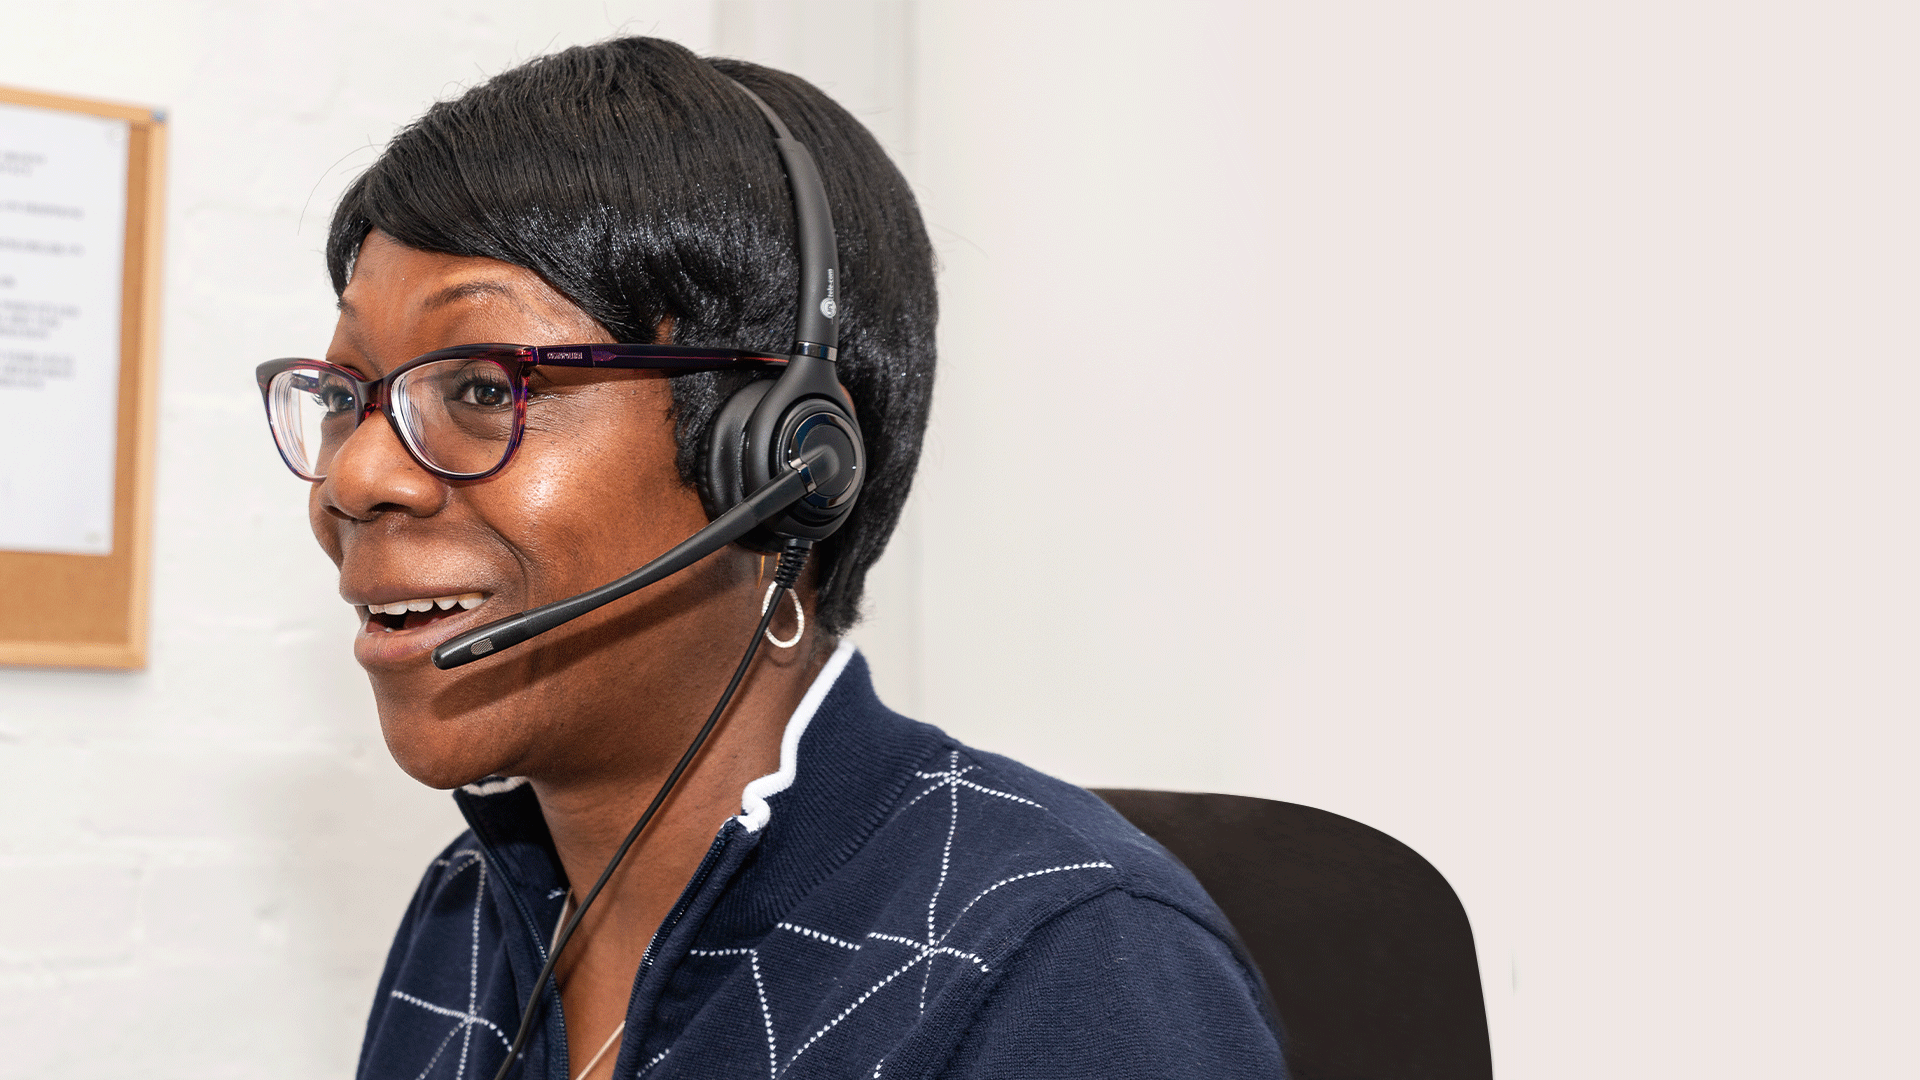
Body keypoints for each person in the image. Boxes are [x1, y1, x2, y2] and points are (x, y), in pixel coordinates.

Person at [256, 36, 1285, 1080]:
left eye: (481, 389)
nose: (354, 477)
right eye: (348, 398)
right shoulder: (472, 909)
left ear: (779, 465)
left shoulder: (1070, 962)